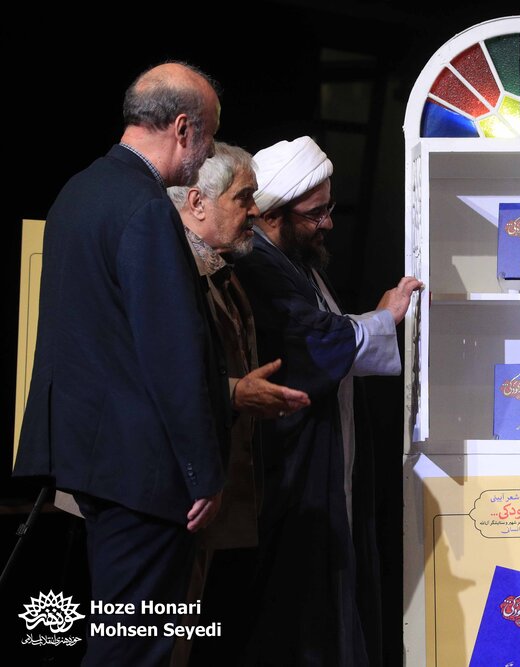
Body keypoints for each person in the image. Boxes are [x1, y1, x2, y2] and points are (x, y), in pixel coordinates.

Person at [14, 62, 228, 666]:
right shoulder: (145, 208)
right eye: (210, 135)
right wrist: (202, 472)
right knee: (134, 648)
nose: (209, 153)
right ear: (183, 128)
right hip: (143, 474)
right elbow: (172, 352)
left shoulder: (78, 190)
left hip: (92, 460)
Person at [234, 136, 421, 665]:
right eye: (316, 213)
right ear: (274, 214)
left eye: (329, 208)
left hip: (321, 450)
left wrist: (374, 320)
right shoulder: (259, 265)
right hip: (290, 461)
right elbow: (313, 341)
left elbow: (327, 329)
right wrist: (384, 318)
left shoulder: (294, 260)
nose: (329, 223)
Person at [167, 143, 311, 665]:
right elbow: (157, 374)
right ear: (197, 203)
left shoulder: (222, 266)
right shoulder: (170, 269)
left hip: (201, 493)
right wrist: (234, 392)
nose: (254, 210)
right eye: (243, 197)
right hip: (167, 492)